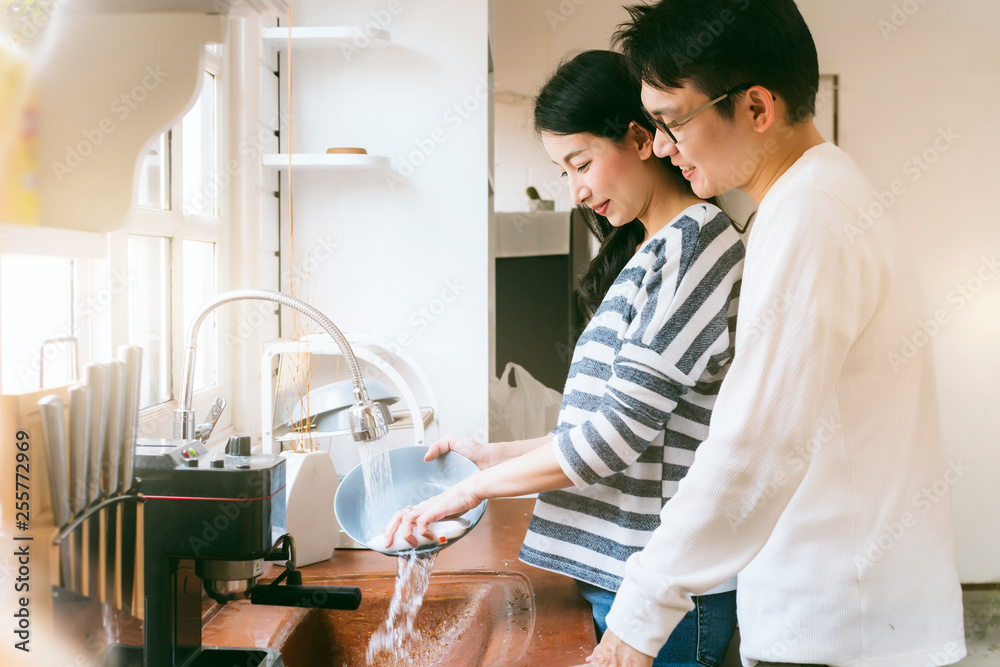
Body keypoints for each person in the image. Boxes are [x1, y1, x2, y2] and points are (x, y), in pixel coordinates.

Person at [572, 1, 966, 666]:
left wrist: (634, 627)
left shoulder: (809, 215)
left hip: (838, 628)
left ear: (756, 107)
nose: (664, 146)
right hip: (845, 618)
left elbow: (753, 444)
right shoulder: (817, 198)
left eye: (672, 122)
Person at [384, 50, 746, 667]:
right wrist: (496, 456)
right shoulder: (648, 252)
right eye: (563, 172)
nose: (576, 190)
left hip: (660, 592)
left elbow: (612, 441)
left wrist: (473, 491)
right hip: (619, 577)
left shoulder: (696, 246)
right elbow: (606, 429)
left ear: (640, 137)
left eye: (582, 163)